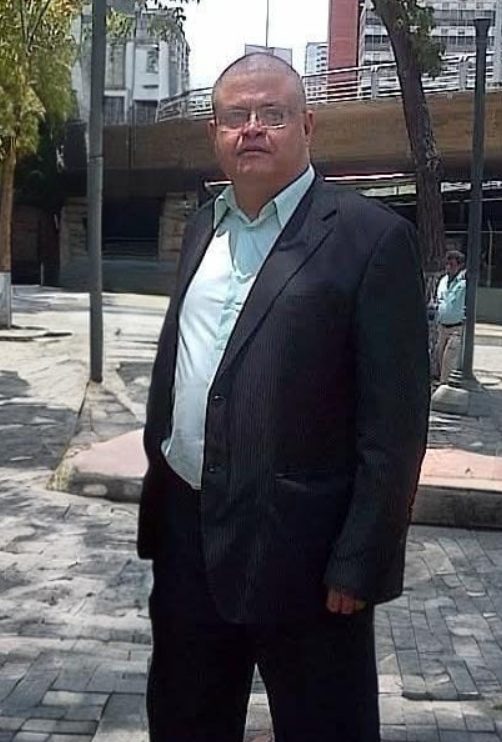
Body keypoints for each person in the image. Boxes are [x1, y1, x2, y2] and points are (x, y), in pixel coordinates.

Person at [137, 52, 430, 742]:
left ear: (308, 126)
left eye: (272, 113)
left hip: (306, 559)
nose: (253, 129)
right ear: (214, 132)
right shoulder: (204, 227)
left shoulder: (370, 240)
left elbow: (393, 427)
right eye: (235, 116)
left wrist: (361, 559)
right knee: (184, 722)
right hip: (189, 539)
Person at [433, 249, 466, 384]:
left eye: (452, 265)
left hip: (456, 328)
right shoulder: (443, 281)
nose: (448, 268)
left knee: (448, 358)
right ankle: (442, 381)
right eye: (447, 264)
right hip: (442, 326)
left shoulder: (463, 284)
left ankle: (443, 385)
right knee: (439, 356)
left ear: (459, 266)